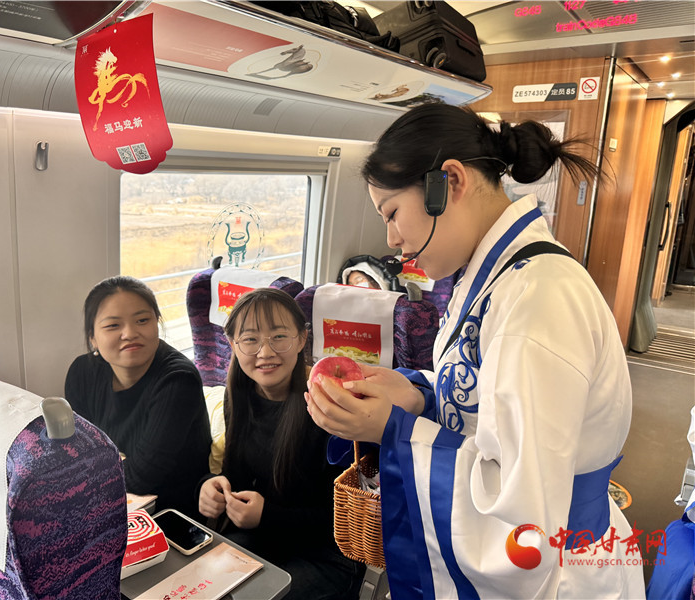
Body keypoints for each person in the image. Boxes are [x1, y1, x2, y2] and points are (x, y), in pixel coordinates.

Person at [305, 104, 646, 599]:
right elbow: (490, 398)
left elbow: (519, 510)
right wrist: (418, 395)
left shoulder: (536, 301)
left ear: (450, 182)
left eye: (393, 213)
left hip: (562, 573)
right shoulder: (495, 277)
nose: (391, 239)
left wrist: (393, 430)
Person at [198, 288, 364, 599]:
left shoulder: (331, 404)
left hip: (325, 553)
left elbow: (348, 516)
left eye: (279, 337)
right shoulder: (239, 396)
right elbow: (238, 478)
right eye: (250, 339)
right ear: (233, 344)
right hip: (263, 536)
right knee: (204, 584)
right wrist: (212, 487)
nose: (265, 352)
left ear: (302, 339)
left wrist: (267, 515)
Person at [65, 276, 211, 518]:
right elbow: (76, 452)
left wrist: (89, 474)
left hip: (168, 512)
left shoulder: (178, 380)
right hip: (106, 500)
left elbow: (142, 477)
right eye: (113, 325)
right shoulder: (82, 373)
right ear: (93, 337)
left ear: (157, 323)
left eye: (142, 320)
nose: (130, 333)